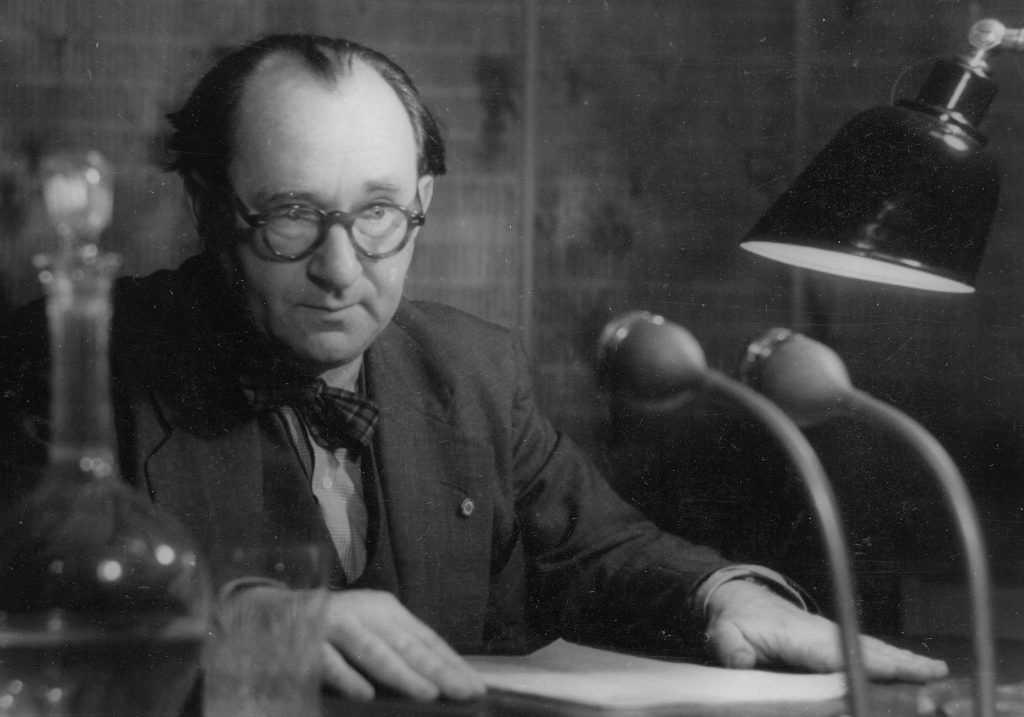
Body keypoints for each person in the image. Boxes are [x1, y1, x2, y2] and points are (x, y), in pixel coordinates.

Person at [0, 34, 947, 703]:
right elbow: (37, 603)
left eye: (378, 213)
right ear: (210, 206)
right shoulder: (74, 357)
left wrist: (724, 596)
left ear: (422, 202)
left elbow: (601, 550)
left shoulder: (472, 367)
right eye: (291, 215)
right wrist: (257, 625)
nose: (341, 269)